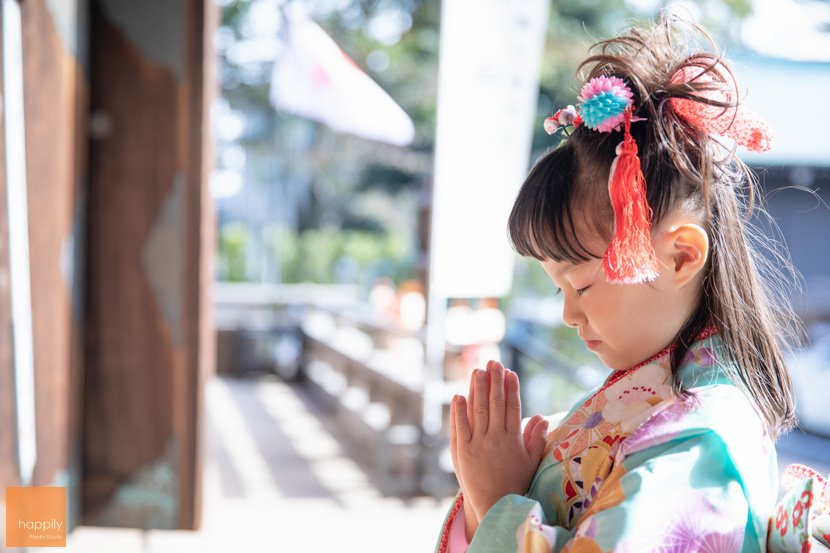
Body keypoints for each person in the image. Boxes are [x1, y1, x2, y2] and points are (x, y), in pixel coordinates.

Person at [436, 13, 806, 553]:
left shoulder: (698, 442)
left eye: (581, 286)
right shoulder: (660, 402)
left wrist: (496, 503)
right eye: (558, 288)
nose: (568, 313)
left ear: (680, 257)